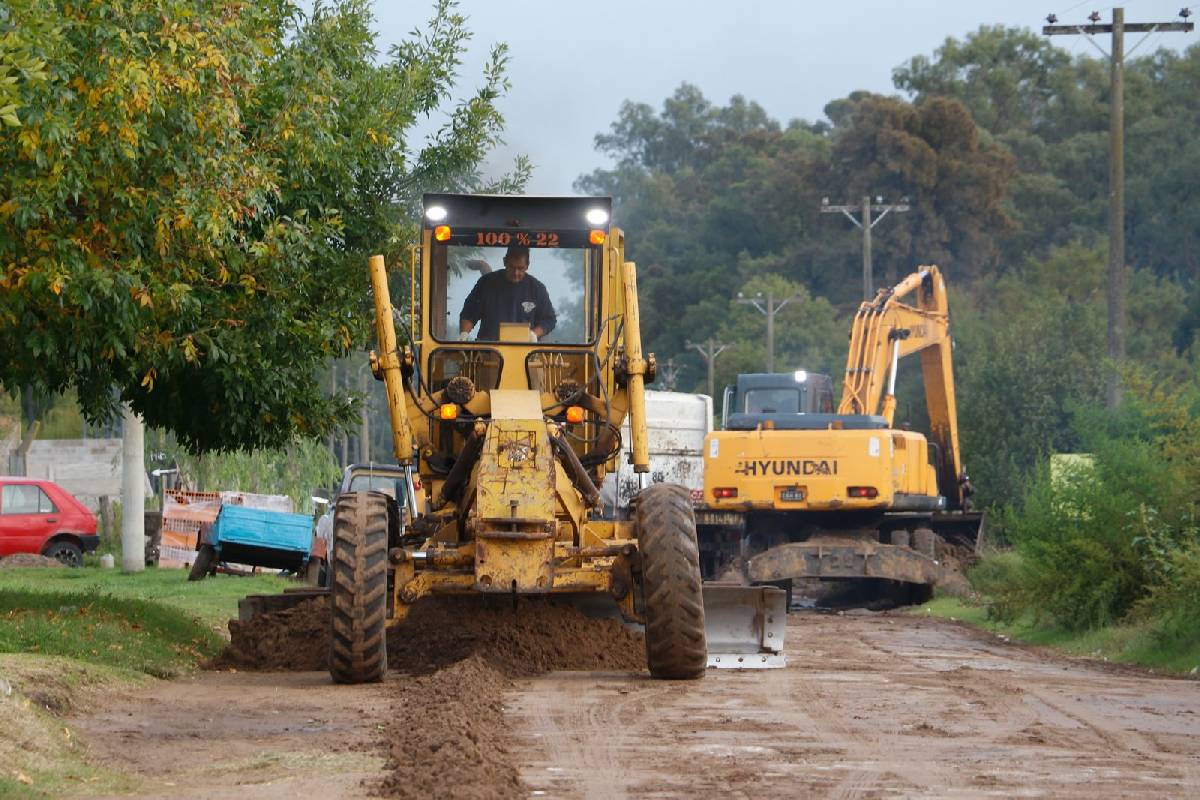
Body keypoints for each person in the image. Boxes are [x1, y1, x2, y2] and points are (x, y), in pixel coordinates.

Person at [458, 245, 556, 341]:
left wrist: (533, 334)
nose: (516, 273)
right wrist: (464, 334)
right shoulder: (486, 283)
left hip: (525, 351)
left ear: (527, 265)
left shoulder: (537, 289)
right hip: (488, 350)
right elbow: (469, 312)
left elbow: (549, 320)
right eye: (512, 267)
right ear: (505, 262)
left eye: (520, 268)